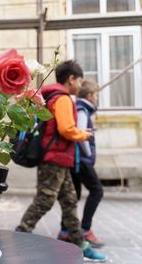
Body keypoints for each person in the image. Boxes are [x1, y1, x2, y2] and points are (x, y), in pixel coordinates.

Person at [15, 61, 107, 262]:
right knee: (45, 200)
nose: (80, 85)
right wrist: (84, 135)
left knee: (69, 202)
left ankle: (80, 245)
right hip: (54, 159)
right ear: (71, 79)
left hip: (59, 159)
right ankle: (19, 235)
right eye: (79, 80)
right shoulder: (63, 99)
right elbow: (66, 129)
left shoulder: (53, 96)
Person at [58, 80, 104, 248]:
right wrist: (89, 155)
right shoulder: (83, 109)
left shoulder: (78, 107)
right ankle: (85, 229)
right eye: (97, 95)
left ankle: (65, 231)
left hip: (75, 160)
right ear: (90, 95)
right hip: (81, 160)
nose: (97, 98)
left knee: (74, 195)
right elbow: (81, 134)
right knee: (97, 190)